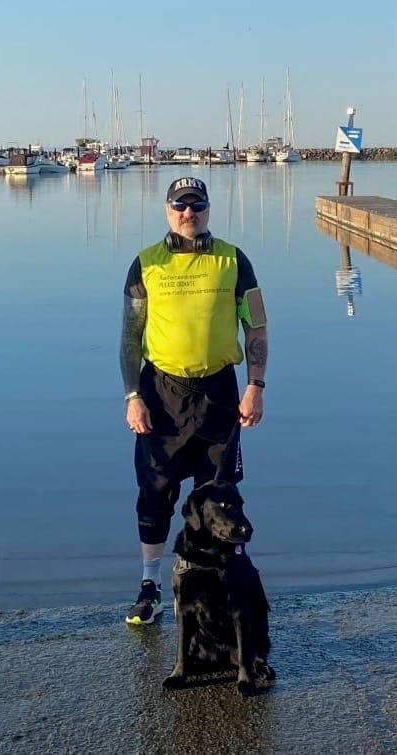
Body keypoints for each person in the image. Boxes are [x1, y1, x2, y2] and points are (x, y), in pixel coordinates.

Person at [119, 176, 268, 625]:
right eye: (180, 206)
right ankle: (151, 585)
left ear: (208, 209)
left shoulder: (234, 260)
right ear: (167, 210)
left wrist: (255, 385)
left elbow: (256, 327)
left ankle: (223, 581)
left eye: (197, 205)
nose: (189, 214)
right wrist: (132, 396)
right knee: (156, 492)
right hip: (161, 394)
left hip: (220, 392)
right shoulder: (146, 264)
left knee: (220, 495)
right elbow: (130, 337)